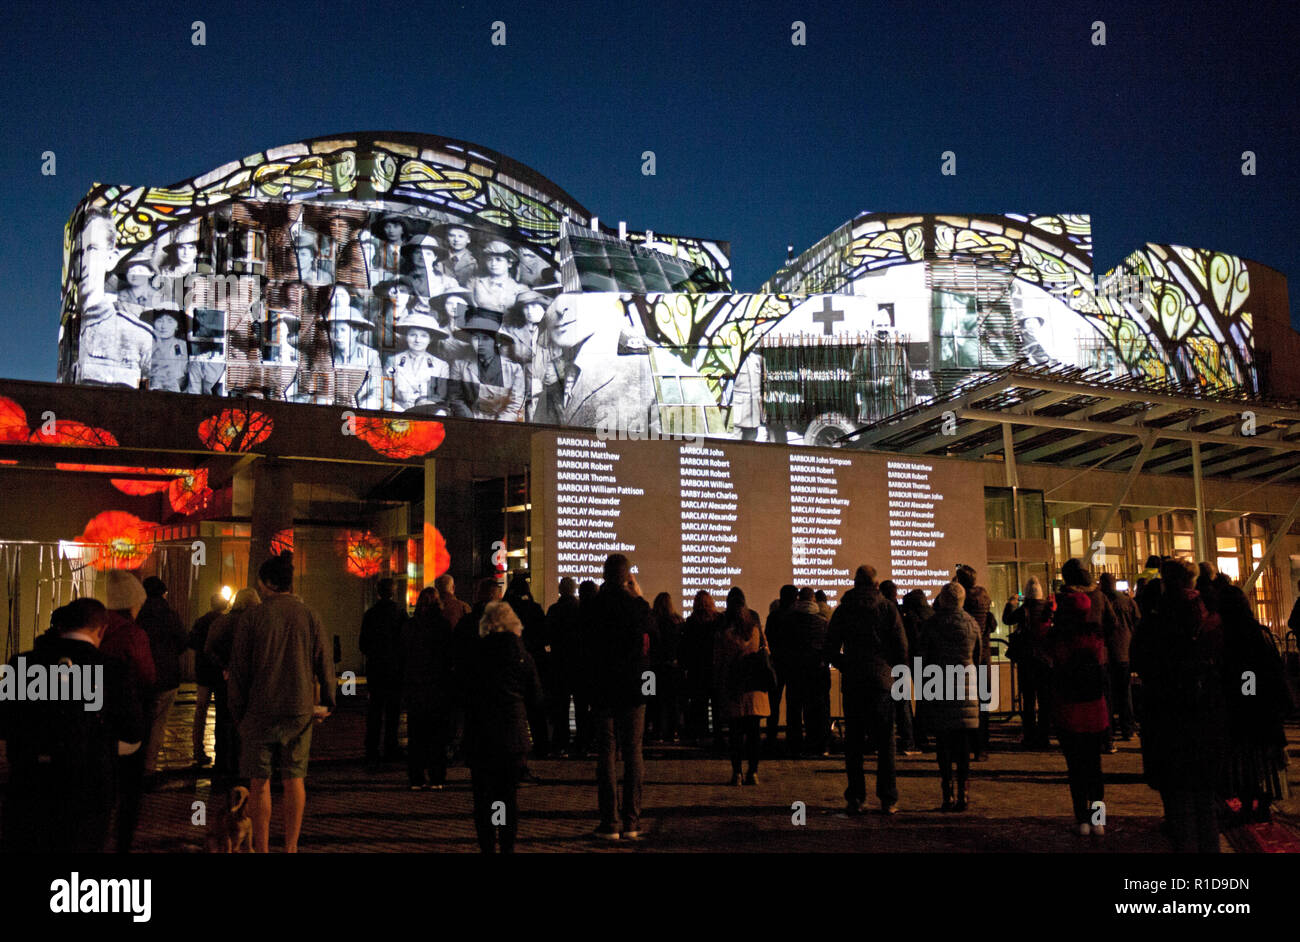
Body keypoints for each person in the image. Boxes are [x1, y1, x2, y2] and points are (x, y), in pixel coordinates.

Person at [0, 598, 144, 853]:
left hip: (30, 781)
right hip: (89, 787)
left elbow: (4, 721)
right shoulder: (112, 670)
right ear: (101, 630)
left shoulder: (21, 664)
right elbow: (132, 731)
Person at [228, 551, 335, 854]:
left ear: (265, 583)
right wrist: (327, 701)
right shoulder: (310, 615)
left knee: (259, 782)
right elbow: (324, 662)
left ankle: (260, 848)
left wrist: (237, 712)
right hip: (299, 708)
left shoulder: (253, 617)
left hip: (259, 709)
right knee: (295, 778)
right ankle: (291, 847)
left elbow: (238, 670)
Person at [461, 600, 544, 853]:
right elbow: (536, 699)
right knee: (506, 796)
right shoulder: (523, 656)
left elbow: (463, 692)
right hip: (512, 736)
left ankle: (488, 845)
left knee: (483, 798)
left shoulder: (476, 654)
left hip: (481, 735)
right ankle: (506, 845)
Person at [826, 565, 908, 815]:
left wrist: (846, 665)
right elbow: (901, 646)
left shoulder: (844, 609)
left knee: (854, 744)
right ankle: (888, 798)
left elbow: (830, 647)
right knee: (886, 743)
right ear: (876, 583)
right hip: (882, 683)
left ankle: (856, 797)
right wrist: (891, 670)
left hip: (854, 683)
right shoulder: (887, 608)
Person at [585, 553, 653, 839]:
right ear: (628, 576)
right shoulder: (637, 606)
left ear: (603, 574)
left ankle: (609, 822)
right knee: (634, 752)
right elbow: (654, 638)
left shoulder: (592, 606)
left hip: (602, 689)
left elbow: (584, 650)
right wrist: (638, 594)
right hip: (633, 689)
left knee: (606, 754)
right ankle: (632, 821)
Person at [1218, 585, 1292, 825]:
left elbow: (1247, 672)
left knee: (1248, 757)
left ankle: (1252, 801)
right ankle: (1262, 801)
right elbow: (1273, 670)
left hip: (1249, 707)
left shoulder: (1236, 636)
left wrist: (1245, 695)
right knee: (1261, 758)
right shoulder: (1258, 632)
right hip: (1263, 707)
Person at [533, 294, 659, 434]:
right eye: (553, 294)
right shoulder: (555, 370)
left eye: (579, 292)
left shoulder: (654, 368)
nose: (560, 309)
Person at [99, 571, 155, 853]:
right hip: (128, 720)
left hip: (97, 720)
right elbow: (147, 675)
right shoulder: (134, 634)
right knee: (130, 790)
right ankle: (122, 843)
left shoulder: (99, 629)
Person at [1050, 586, 1110, 837]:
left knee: (1075, 768)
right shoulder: (1096, 637)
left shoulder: (1061, 638)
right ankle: (1099, 820)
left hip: (1069, 710)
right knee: (1095, 768)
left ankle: (1081, 819)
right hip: (1096, 710)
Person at [917, 583, 982, 811]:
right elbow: (978, 656)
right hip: (966, 688)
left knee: (943, 745)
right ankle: (964, 793)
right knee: (963, 745)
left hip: (940, 687)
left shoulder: (932, 624)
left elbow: (923, 657)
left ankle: (947, 793)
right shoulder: (972, 624)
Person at [75, 210, 154, 387]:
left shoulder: (139, 337)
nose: (84, 262)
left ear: (111, 258)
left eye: (92, 249)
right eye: (78, 253)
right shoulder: (60, 332)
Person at [402, 587, 456, 790]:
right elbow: (449, 656)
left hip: (416, 686)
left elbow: (404, 655)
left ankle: (416, 778)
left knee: (416, 735)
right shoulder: (442, 626)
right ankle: (437, 777)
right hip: (438, 687)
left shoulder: (410, 626)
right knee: (437, 736)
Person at [135, 576, 187, 781]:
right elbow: (183, 641)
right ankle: (150, 765)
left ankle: (136, 760)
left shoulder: (139, 615)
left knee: (142, 719)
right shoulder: (170, 615)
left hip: (141, 675)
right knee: (159, 722)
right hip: (167, 675)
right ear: (164, 593)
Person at [205, 587, 260, 779]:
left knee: (223, 720)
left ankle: (222, 763)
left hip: (225, 678)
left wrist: (224, 667)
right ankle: (241, 764)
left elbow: (209, 648)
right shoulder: (255, 623)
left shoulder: (222, 621)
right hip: (249, 681)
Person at [718, 588, 770, 785]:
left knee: (735, 733)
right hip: (755, 686)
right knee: (754, 733)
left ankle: (737, 773)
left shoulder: (724, 630)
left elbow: (719, 660)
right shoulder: (754, 626)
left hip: (734, 686)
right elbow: (765, 649)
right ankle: (753, 772)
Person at [448, 307, 525, 420]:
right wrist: (470, 420)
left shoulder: (513, 369)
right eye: (475, 338)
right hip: (469, 420)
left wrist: (497, 425)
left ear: (496, 342)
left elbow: (515, 405)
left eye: (486, 338)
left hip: (502, 424)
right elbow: (455, 398)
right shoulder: (460, 365)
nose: (480, 344)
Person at [1003, 576, 1054, 748]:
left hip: (1027, 660)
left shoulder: (1024, 609)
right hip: (1046, 660)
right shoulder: (1048, 608)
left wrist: (1010, 603)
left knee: (1029, 700)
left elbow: (1007, 619)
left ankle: (1030, 734)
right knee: (1045, 700)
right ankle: (1044, 735)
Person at [359, 577, 405, 767]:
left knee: (375, 710)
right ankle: (391, 747)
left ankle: (372, 749)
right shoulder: (400, 614)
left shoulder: (371, 614)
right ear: (393, 592)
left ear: (378, 592)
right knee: (393, 710)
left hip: (376, 668)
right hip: (394, 669)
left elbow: (363, 644)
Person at [504, 574, 550, 760]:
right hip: (534, 659)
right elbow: (545, 635)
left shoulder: (506, 610)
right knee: (536, 708)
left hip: (510, 663)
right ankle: (541, 745)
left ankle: (513, 748)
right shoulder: (535, 609)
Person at [785, 587, 831, 757]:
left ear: (798, 600)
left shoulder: (789, 621)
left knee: (795, 709)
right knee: (820, 709)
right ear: (813, 601)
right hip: (818, 671)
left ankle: (795, 746)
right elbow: (829, 647)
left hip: (795, 671)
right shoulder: (823, 622)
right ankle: (821, 745)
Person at [954, 565, 994, 759]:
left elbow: (941, 605)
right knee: (982, 706)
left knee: (965, 706)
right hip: (984, 657)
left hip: (967, 659)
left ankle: (968, 745)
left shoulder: (964, 602)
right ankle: (982, 747)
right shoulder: (984, 598)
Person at [545, 577, 586, 755]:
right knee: (581, 706)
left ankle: (560, 741)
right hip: (579, 663)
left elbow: (546, 635)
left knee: (560, 705)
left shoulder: (554, 610)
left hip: (559, 662)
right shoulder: (581, 610)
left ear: (561, 590)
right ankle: (581, 742)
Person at [385, 305, 450, 411]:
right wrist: (394, 408)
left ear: (431, 339)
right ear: (406, 337)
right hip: (398, 411)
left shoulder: (441, 366)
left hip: (427, 412)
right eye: (413, 335)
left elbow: (440, 397)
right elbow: (385, 394)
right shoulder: (393, 361)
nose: (417, 340)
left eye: (423, 336)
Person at [188, 592, 228, 767]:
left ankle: (198, 750)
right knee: (222, 712)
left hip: (203, 672)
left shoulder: (201, 621)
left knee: (200, 711)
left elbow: (192, 642)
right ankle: (222, 750)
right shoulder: (225, 622)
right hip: (219, 673)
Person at [1099, 573, 1138, 741]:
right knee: (1124, 692)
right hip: (1124, 651)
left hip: (1107, 652)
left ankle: (1110, 728)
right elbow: (1137, 620)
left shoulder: (1101, 602)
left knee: (1108, 693)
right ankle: (1127, 728)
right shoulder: (1127, 600)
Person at [683, 590, 723, 747]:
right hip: (715, 668)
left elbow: (685, 648)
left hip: (697, 670)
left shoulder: (690, 623)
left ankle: (699, 736)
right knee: (717, 705)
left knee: (698, 705)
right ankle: (718, 736)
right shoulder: (719, 621)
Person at [881, 580, 916, 754]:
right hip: (901, 662)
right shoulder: (902, 612)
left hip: (887, 663)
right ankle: (908, 741)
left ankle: (883, 742)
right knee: (903, 704)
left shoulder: (884, 611)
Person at [763, 585, 797, 754]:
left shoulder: (774, 616)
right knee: (793, 703)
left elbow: (768, 637)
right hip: (793, 664)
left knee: (773, 703)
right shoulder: (796, 617)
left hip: (777, 663)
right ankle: (792, 738)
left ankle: (771, 737)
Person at [899, 589, 934, 750]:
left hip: (913, 659)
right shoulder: (933, 615)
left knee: (908, 699)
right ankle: (924, 734)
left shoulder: (911, 619)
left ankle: (916, 735)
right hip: (931, 660)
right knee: (926, 698)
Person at [648, 592, 684, 744]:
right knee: (672, 701)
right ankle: (672, 732)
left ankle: (655, 731)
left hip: (651, 668)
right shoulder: (678, 622)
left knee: (652, 701)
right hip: (672, 668)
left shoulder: (650, 622)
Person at [468, 240, 525, 314]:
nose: (493, 263)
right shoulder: (474, 283)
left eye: (498, 260)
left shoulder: (519, 289)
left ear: (509, 264)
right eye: (489, 260)